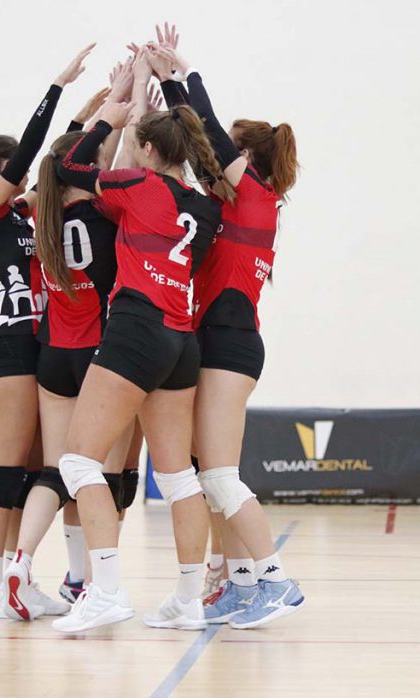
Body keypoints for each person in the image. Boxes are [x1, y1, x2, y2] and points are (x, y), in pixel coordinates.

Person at [49, 51, 234, 634]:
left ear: (149, 151)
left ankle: (105, 591)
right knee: (178, 477)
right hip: (182, 341)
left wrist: (114, 108)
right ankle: (188, 599)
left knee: (79, 461)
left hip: (135, 330)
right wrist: (166, 87)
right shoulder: (205, 206)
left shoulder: (136, 185)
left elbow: (69, 166)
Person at [147, 31, 305, 628]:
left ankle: (277, 581)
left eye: (228, 156)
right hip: (212, 340)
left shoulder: (257, 197)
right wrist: (163, 96)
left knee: (218, 475)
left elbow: (209, 132)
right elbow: (198, 148)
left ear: (248, 163)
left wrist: (183, 75)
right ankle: (239, 583)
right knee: (210, 476)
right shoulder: (231, 205)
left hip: (231, 345)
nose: (215, 164)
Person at [0, 43, 95, 618]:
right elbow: (34, 152)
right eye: (17, 171)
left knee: (38, 473)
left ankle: (15, 577)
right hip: (11, 350)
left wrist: (90, 117)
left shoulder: (24, 212)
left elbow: (54, 165)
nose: (27, 177)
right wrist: (57, 87)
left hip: (44, 347)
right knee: (4, 474)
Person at [2, 62, 138, 620]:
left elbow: (69, 163)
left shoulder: (41, 212)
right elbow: (118, 166)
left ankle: (20, 561)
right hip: (101, 356)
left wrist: (104, 112)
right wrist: (134, 97)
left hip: (53, 354)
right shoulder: (107, 212)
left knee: (56, 471)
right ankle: (86, 580)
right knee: (105, 476)